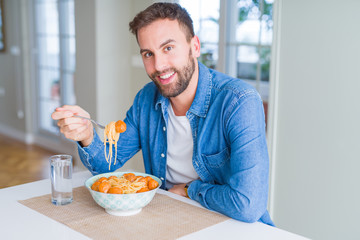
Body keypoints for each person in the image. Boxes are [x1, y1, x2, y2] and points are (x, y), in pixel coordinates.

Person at [51, 2, 274, 226]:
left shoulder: (238, 102)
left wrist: (190, 189)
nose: (158, 66)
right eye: (148, 54)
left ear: (194, 46)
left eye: (168, 48)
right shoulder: (146, 99)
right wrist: (87, 134)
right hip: (169, 218)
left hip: (232, 227)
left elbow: (248, 204)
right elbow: (104, 165)